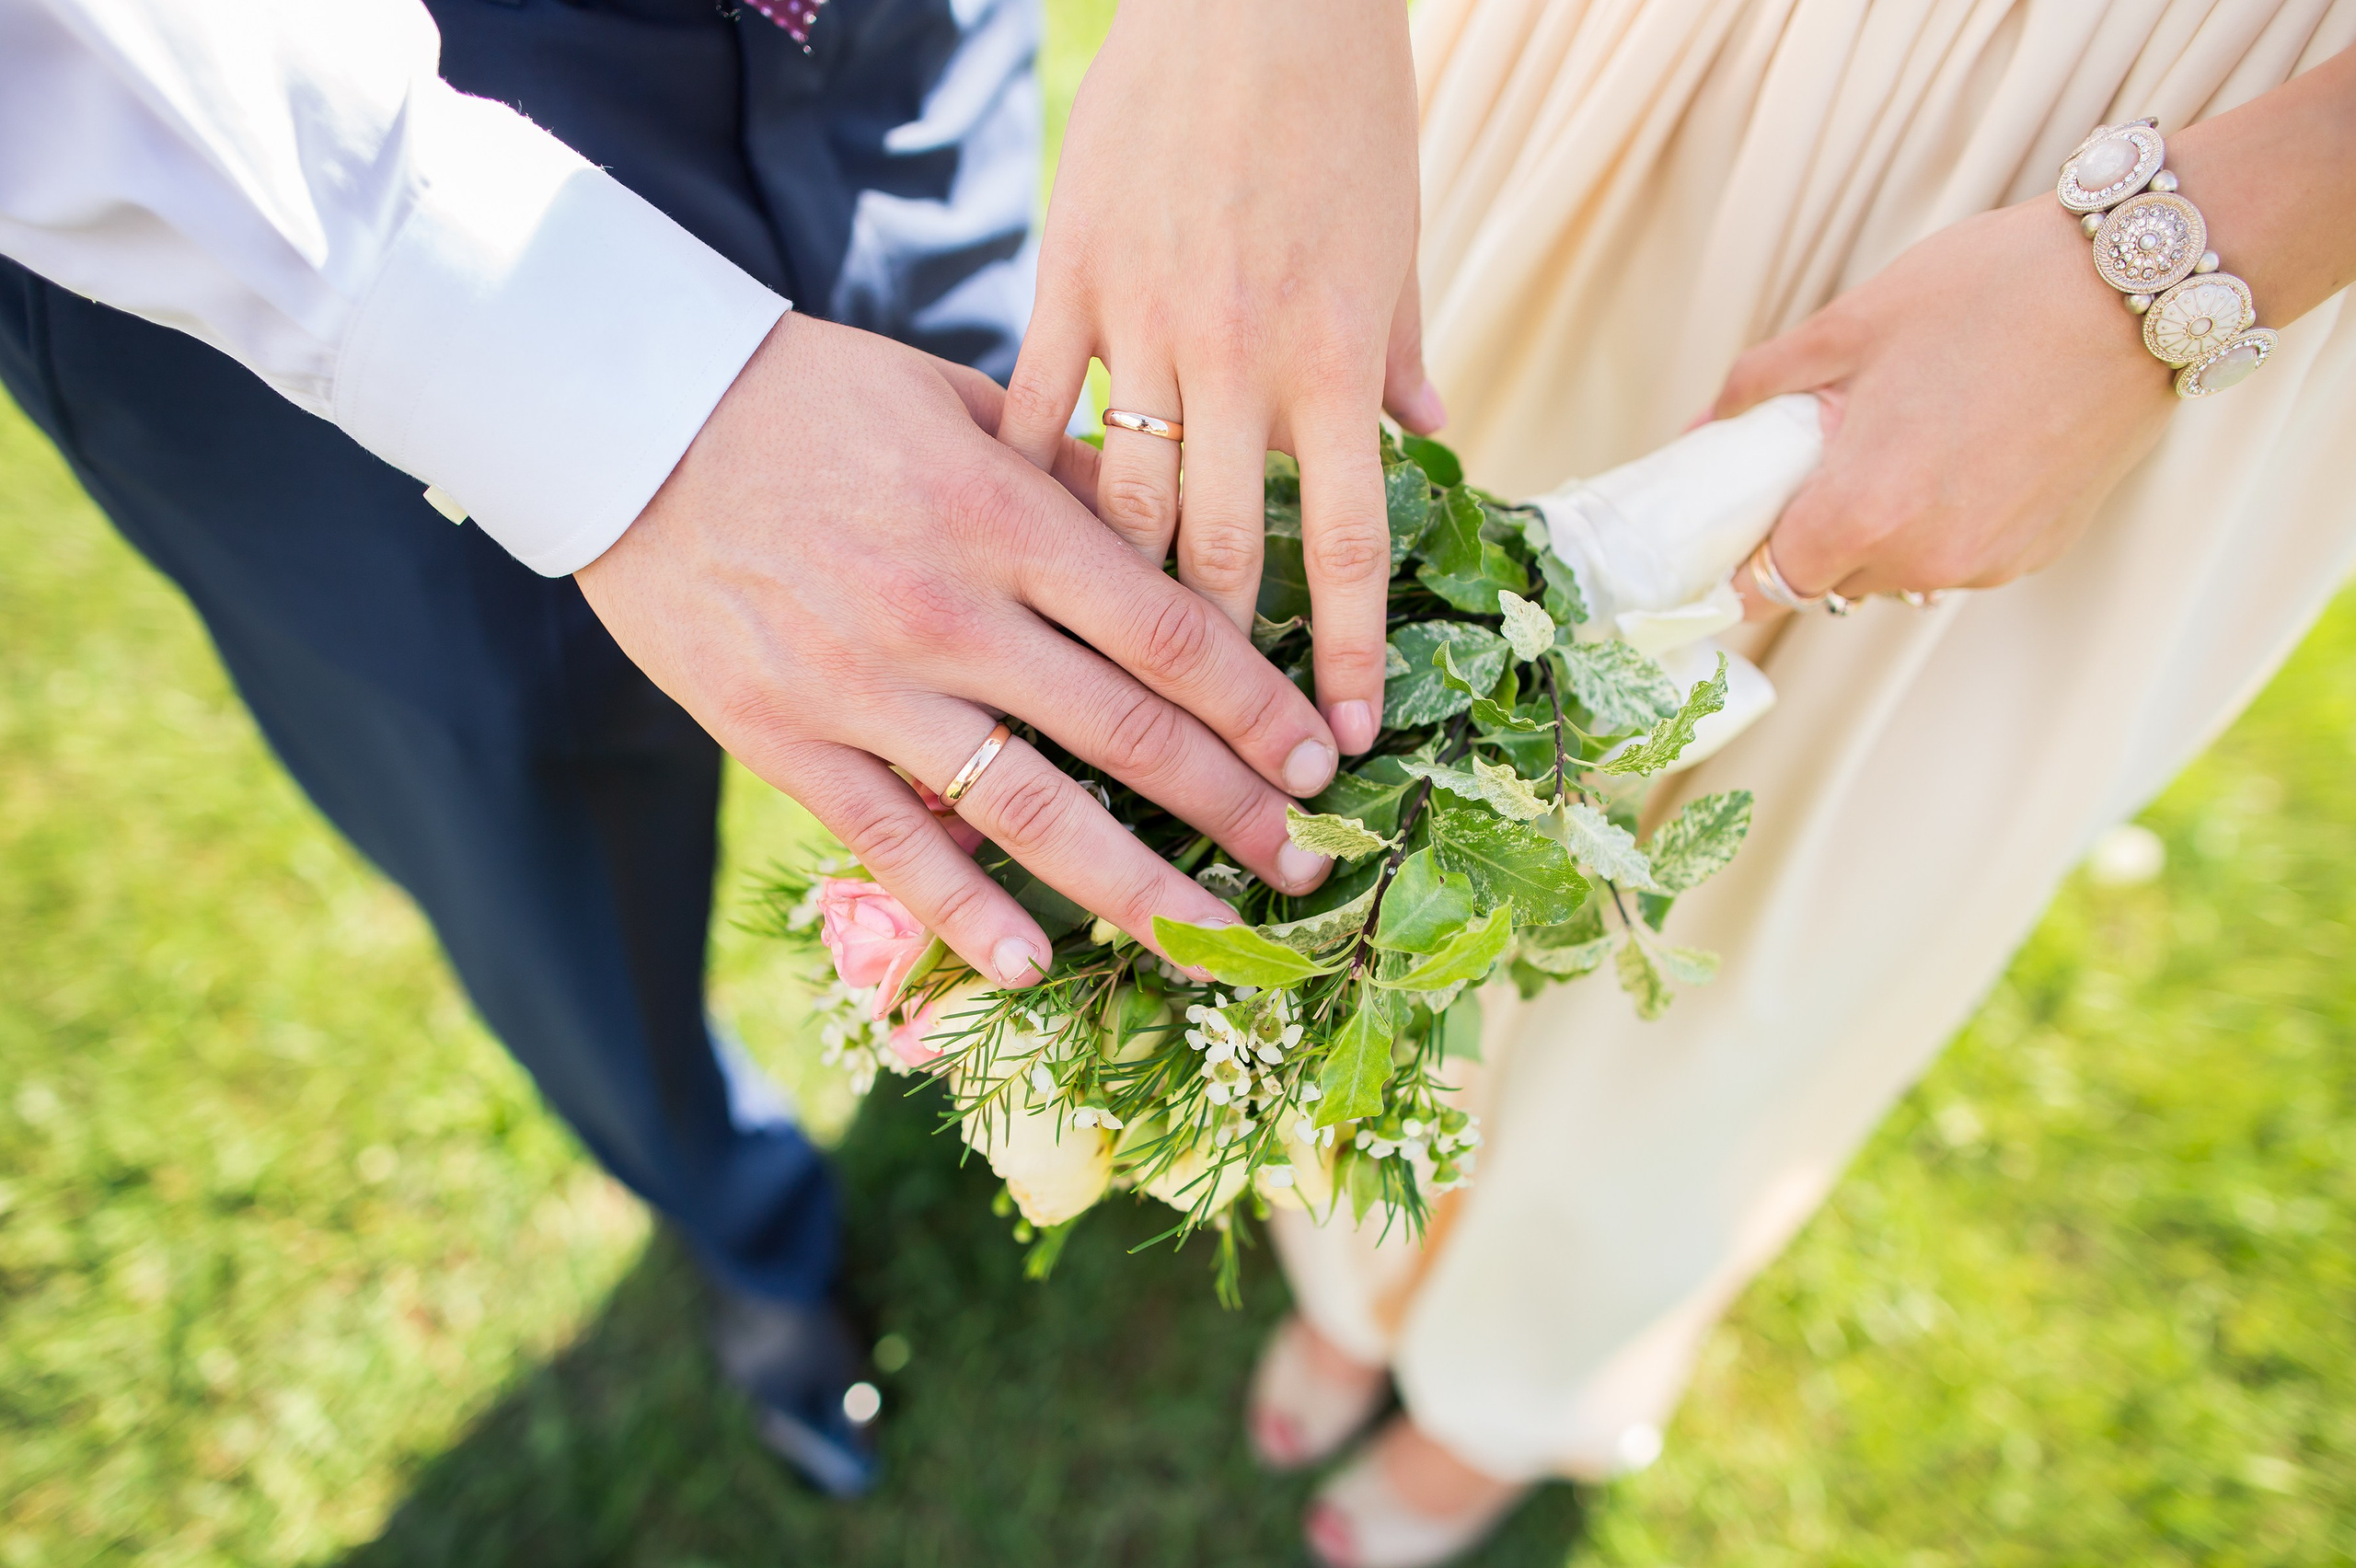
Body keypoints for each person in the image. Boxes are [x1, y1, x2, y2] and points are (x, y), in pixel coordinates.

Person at [0, 0, 1435, 1493]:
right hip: (316, 170)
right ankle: (746, 1226)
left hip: (897, 62)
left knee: (1040, 671)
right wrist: (605, 400)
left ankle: (1004, 1038)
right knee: (552, 865)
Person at [1242, 5, 2356, 1563]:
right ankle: (1354, 1245)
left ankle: (1520, 1363)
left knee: (1803, 906)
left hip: (2233, 117)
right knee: (1410, 715)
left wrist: (2156, 272)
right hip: (1674, 55)